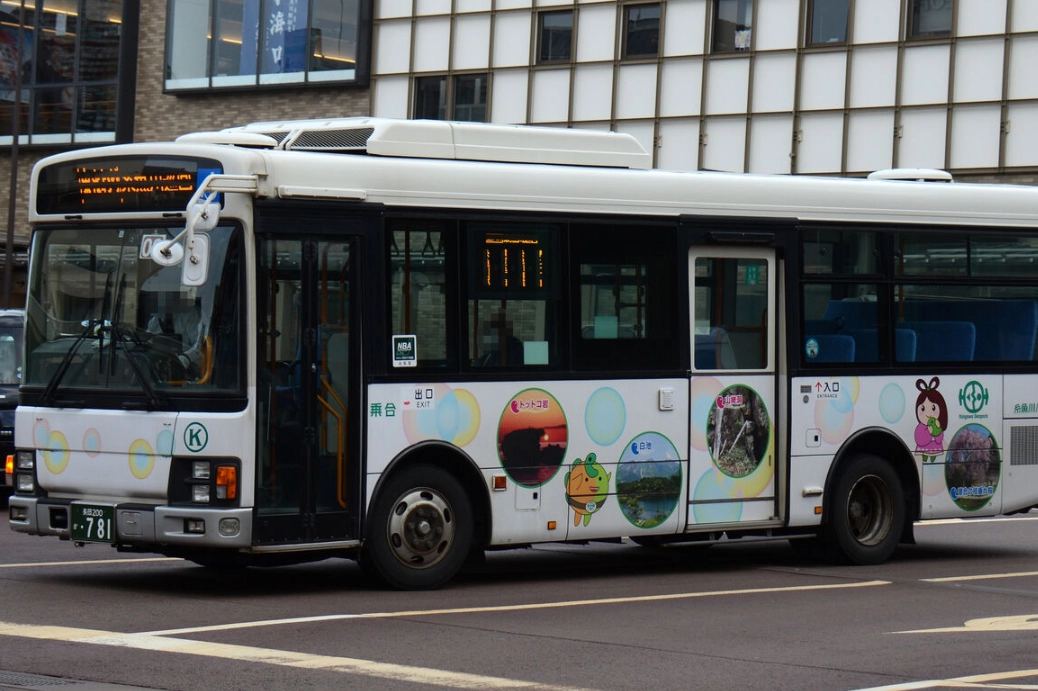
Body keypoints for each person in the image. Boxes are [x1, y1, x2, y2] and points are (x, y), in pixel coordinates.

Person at [147, 296, 205, 375]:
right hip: (164, 368)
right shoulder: (156, 320)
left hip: (193, 368)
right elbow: (147, 343)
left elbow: (201, 345)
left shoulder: (190, 314)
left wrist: (185, 358)